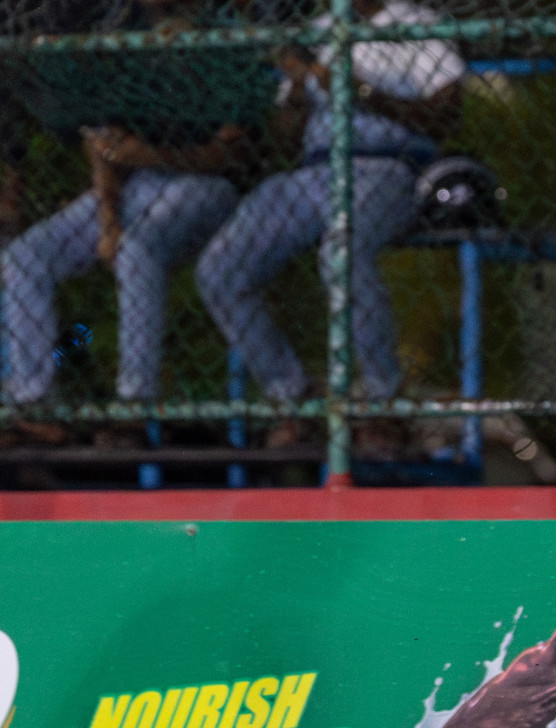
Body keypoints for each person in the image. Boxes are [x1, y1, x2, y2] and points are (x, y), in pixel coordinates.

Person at [196, 0, 464, 453]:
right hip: (313, 171)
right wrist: (301, 89)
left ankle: (384, 402)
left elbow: (443, 115)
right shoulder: (318, 30)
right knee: (220, 269)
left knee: (342, 249)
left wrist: (355, 89)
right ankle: (294, 398)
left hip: (388, 167)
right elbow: (285, 138)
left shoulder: (416, 25)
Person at [1, 0, 256, 448]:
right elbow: (101, 141)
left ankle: (133, 409)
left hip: (203, 185)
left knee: (137, 249)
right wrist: (107, 220)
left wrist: (151, 158)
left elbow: (233, 157)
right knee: (25, 258)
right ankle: (33, 404)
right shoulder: (121, 32)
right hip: (131, 187)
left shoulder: (222, 36)